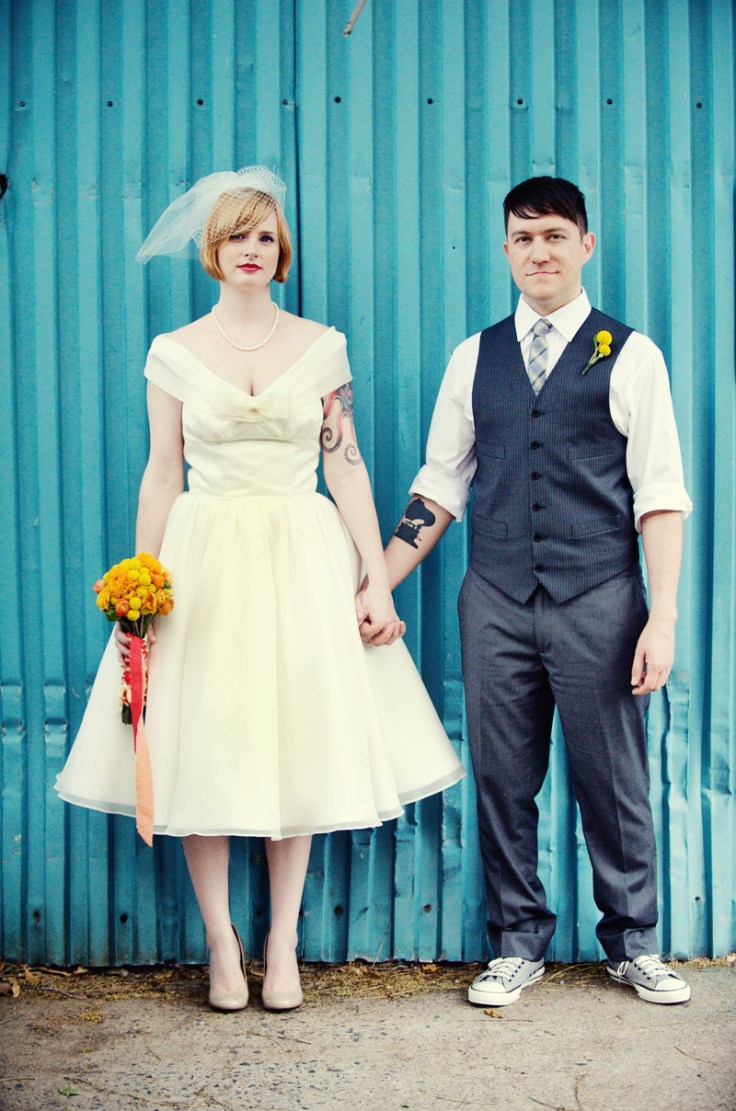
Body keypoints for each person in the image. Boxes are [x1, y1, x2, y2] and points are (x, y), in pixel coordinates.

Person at [56, 166, 464, 1013]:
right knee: (199, 740)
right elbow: (161, 473)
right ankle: (220, 942)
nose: (252, 248)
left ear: (282, 254)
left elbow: (342, 463)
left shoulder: (321, 345)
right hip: (204, 559)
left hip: (299, 550)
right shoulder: (173, 352)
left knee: (299, 739)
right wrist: (142, 586)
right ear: (213, 249)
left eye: (266, 237)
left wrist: (373, 580)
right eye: (238, 235)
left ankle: (282, 942)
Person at [363, 176, 692, 1007]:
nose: (537, 251)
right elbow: (438, 487)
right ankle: (517, 943)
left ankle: (634, 942)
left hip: (602, 600)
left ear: (585, 245)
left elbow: (659, 493)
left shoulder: (632, 354)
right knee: (504, 777)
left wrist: (664, 614)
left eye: (553, 235)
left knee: (613, 778)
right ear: (505, 250)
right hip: (498, 600)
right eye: (521, 238)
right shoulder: (475, 357)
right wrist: (374, 583)